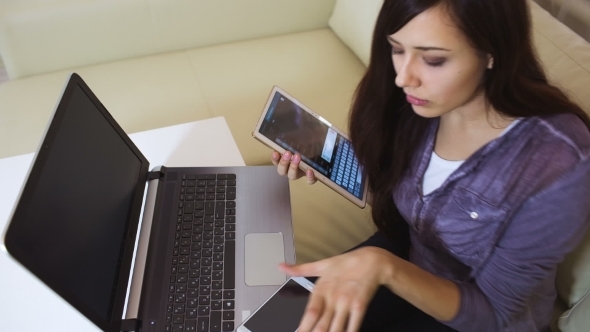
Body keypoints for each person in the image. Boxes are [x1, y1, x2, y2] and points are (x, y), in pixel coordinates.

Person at [270, 0, 590, 331]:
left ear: (493, 51)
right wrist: (327, 162)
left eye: (433, 60)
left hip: (477, 316)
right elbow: (407, 188)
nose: (404, 78)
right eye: (396, 49)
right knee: (274, 322)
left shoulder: (557, 160)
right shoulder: (417, 104)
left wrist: (384, 267)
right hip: (407, 252)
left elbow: (496, 314)